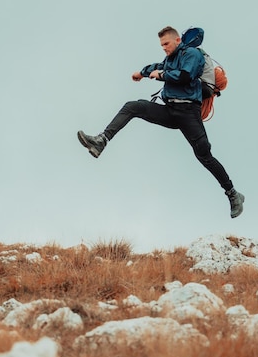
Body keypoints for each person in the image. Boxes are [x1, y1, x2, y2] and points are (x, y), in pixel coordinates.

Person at [77, 26, 245, 218]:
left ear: (177, 41)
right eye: (161, 45)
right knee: (133, 106)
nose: (164, 47)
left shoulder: (193, 55)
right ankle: (101, 141)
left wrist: (162, 75)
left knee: (204, 156)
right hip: (170, 111)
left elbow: (185, 76)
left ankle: (233, 194)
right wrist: (142, 73)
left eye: (166, 43)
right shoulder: (170, 59)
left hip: (189, 113)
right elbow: (158, 66)